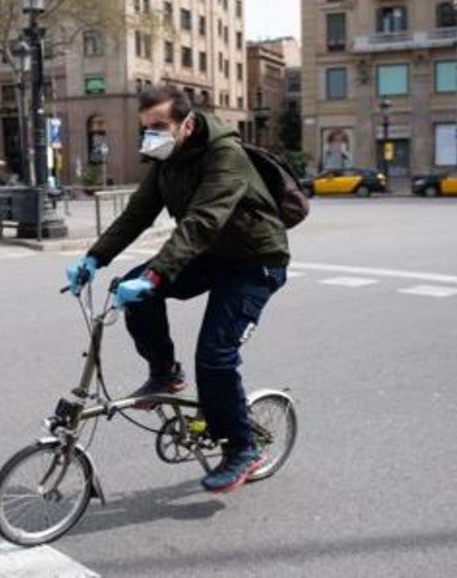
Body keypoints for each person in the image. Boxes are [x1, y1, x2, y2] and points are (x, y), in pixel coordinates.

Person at [66, 86, 290, 494]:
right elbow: (136, 214)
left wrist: (155, 275)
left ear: (186, 124)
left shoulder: (227, 157)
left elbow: (201, 222)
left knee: (215, 356)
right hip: (210, 255)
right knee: (129, 284)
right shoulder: (168, 160)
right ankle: (165, 373)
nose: (151, 136)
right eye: (146, 128)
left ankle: (242, 447)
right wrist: (95, 259)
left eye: (159, 127)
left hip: (254, 263)